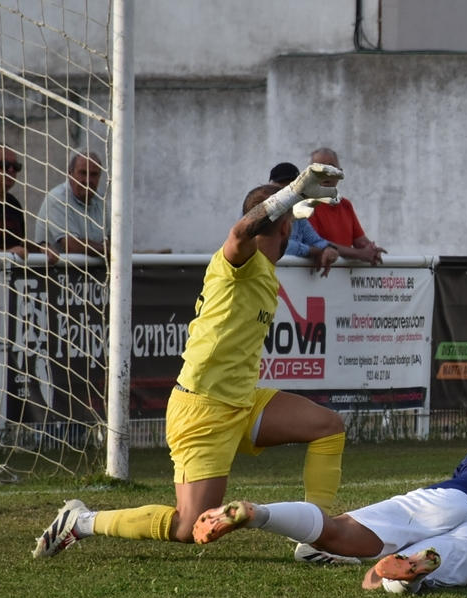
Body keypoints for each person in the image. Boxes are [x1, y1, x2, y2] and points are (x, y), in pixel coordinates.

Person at [34, 165, 357, 565]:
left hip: (242, 401)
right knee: (189, 527)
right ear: (287, 228)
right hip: (203, 408)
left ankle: (316, 540)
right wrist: (290, 193)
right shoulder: (240, 258)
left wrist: (294, 201)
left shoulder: (264, 267)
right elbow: (241, 232)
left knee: (327, 427)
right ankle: (81, 521)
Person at [192, 409, 467, 594]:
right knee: (380, 580)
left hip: (450, 497)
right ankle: (411, 572)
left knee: (338, 530)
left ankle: (258, 514)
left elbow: (463, 479)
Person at [304, 148, 386, 264]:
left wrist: (372, 250)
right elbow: (316, 244)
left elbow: (359, 241)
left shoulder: (345, 205)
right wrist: (359, 253)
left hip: (343, 273)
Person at [0, 144, 58, 262]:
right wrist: (5, 254)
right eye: (4, 165)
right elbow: (12, 251)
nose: (11, 170)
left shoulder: (14, 204)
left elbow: (19, 243)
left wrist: (41, 248)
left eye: (16, 167)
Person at [269, 162, 340, 276]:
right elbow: (276, 245)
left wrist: (329, 249)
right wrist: (313, 251)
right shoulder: (259, 208)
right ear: (270, 185)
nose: (287, 192)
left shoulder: (297, 214)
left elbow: (316, 240)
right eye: (282, 187)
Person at [35, 151, 109, 257]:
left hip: (93, 267)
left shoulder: (99, 196)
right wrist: (111, 251)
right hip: (58, 267)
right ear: (70, 174)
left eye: (93, 174)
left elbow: (111, 238)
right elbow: (72, 246)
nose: (88, 180)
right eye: (83, 173)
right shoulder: (58, 199)